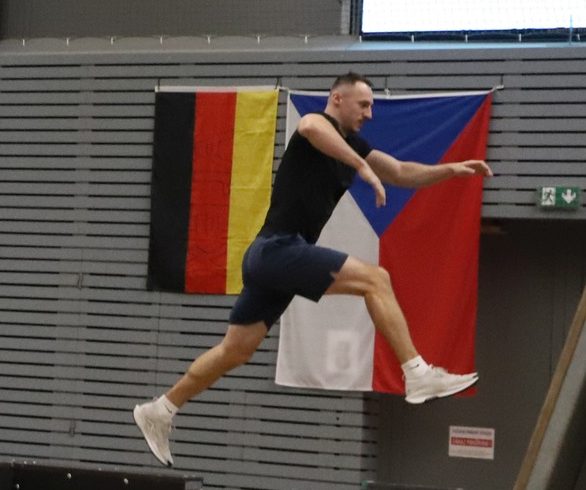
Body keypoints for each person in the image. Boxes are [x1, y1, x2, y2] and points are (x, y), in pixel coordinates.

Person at [132, 72, 491, 466]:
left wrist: (451, 170)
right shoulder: (317, 126)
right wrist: (361, 166)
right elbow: (309, 126)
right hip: (278, 248)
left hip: (269, 257)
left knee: (235, 350)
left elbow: (403, 172)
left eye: (371, 106)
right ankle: (417, 372)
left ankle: (160, 409)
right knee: (376, 279)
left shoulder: (353, 145)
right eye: (364, 105)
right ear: (337, 99)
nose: (369, 114)